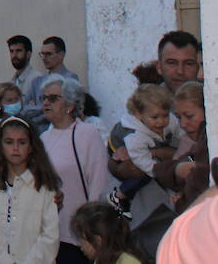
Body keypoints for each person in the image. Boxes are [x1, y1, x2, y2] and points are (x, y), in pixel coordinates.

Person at [37, 74, 110, 264]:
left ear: (70, 104)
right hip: (51, 233)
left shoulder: (87, 134)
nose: (46, 102)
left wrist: (91, 227)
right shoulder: (43, 138)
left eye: (53, 98)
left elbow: (98, 182)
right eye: (43, 98)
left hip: (80, 234)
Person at [0, 117, 61, 264]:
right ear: (0, 146)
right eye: (9, 142)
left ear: (30, 147)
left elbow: (50, 234)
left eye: (22, 142)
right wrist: (3, 260)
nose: (15, 148)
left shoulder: (43, 185)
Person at [105, 84, 180, 215]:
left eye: (165, 115)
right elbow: (143, 162)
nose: (161, 122)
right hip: (118, 145)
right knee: (142, 172)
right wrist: (162, 173)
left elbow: (180, 134)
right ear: (139, 115)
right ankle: (119, 195)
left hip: (146, 145)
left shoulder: (171, 120)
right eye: (155, 117)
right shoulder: (134, 136)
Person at [152, 81, 208, 214]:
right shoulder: (190, 141)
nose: (183, 124)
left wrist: (180, 202)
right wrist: (178, 169)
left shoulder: (207, 142)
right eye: (178, 117)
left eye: (189, 116)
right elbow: (161, 171)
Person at [69, 202, 145, 264]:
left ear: (98, 240)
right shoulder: (99, 260)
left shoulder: (128, 261)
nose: (79, 244)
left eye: (82, 240)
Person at [7, 35, 43, 102]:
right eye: (11, 51)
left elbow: (40, 107)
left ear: (28, 54)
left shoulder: (36, 78)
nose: (14, 55)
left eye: (18, 51)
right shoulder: (12, 81)